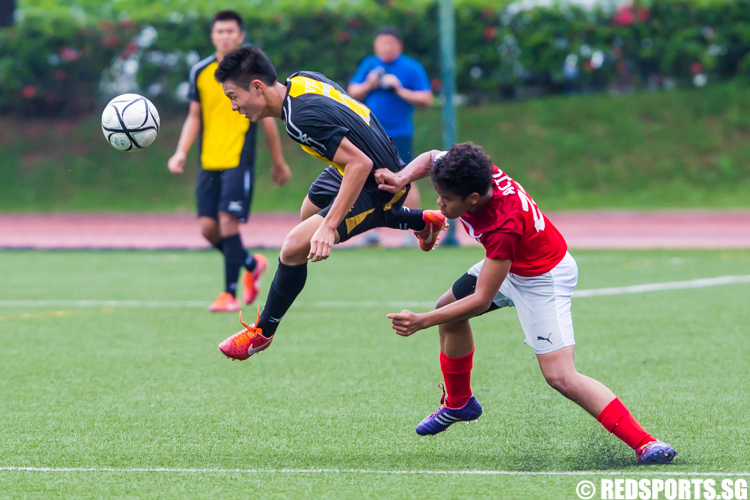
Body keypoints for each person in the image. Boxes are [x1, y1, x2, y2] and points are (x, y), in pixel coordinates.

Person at [379, 143, 677, 464]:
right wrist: (401, 177)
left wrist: (424, 320)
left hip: (543, 278)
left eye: (446, 199)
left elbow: (480, 300)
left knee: (560, 376)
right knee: (449, 312)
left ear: (474, 199)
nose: (439, 202)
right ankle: (459, 403)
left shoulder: (503, 225)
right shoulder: (476, 174)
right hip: (508, 265)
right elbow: (431, 157)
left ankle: (646, 443)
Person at [213, 47, 448, 361]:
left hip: (375, 180)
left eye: (233, 96)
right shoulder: (300, 80)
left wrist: (330, 226)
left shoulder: (299, 118)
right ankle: (420, 221)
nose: (232, 106)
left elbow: (360, 164)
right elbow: (351, 111)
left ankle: (262, 333)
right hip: (361, 163)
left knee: (296, 245)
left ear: (257, 87)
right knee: (308, 214)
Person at [167, 10, 292, 313]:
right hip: (209, 160)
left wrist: (278, 161)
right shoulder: (200, 71)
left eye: (230, 31)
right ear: (212, 36)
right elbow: (194, 116)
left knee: (227, 223)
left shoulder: (251, 73)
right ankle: (251, 263)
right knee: (209, 229)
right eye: (219, 31)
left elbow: (268, 119)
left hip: (239, 159)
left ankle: (229, 293)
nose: (224, 36)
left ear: (240, 36)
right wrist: (181, 152)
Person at [348, 26, 433, 246]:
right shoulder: (370, 64)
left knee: (408, 178)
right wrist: (371, 83)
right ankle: (370, 232)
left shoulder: (411, 67)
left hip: (400, 133)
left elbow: (426, 99)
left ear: (399, 45)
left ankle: (414, 231)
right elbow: (351, 92)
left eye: (390, 43)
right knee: (367, 179)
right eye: (381, 43)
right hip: (370, 133)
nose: (385, 47)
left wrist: (398, 89)